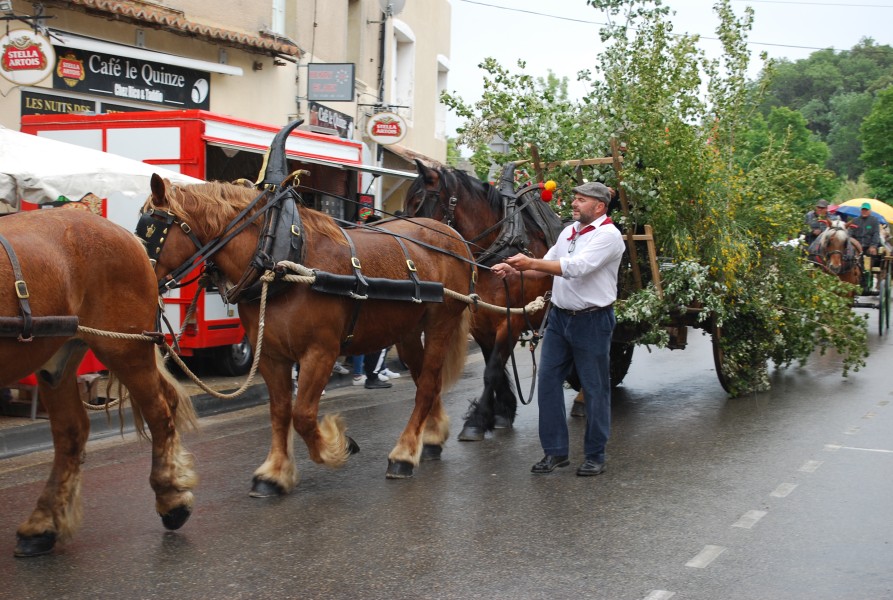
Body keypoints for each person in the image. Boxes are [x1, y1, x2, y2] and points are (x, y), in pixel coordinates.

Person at [491, 181, 625, 477]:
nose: (574, 203)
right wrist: (515, 268)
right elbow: (549, 262)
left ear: (599, 207)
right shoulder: (569, 231)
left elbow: (576, 267)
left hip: (592, 321)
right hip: (560, 320)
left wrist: (528, 262)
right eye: (575, 198)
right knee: (548, 384)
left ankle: (595, 454)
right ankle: (555, 452)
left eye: (581, 199)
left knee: (595, 389)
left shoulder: (609, 236)